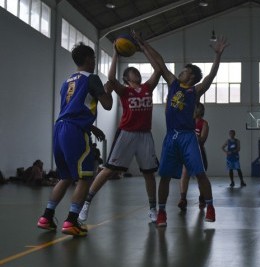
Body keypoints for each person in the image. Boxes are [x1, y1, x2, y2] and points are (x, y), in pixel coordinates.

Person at [132, 31, 229, 227]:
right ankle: (161, 212)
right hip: (171, 137)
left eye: (184, 71)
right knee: (165, 177)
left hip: (187, 137)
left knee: (200, 173)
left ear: (191, 76)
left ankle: (210, 206)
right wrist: (144, 46)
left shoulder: (195, 90)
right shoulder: (173, 83)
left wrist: (218, 56)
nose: (180, 72)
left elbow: (211, 76)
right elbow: (160, 63)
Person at [78, 39, 162, 223]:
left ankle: (153, 210)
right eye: (133, 72)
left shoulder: (148, 88)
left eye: (138, 72)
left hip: (145, 135)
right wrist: (116, 52)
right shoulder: (124, 91)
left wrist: (144, 48)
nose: (137, 73)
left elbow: (158, 70)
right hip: (126, 133)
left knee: (149, 174)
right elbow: (111, 79)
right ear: (126, 78)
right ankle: (86, 204)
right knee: (108, 170)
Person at [37, 42, 113, 236]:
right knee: (86, 177)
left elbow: (72, 109)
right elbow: (107, 105)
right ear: (89, 59)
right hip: (75, 131)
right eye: (94, 58)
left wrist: (92, 126)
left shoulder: (67, 81)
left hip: (60, 128)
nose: (95, 61)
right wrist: (107, 90)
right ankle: (71, 221)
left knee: (65, 176)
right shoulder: (92, 78)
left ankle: (46, 217)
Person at [177, 102, 209, 211]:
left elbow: (203, 139)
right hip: (187, 152)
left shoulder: (204, 124)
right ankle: (183, 199)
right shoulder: (187, 122)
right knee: (184, 174)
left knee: (200, 176)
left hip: (198, 152)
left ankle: (202, 197)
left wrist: (191, 138)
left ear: (199, 111)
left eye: (195, 109)